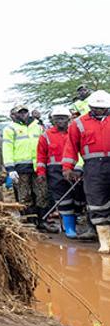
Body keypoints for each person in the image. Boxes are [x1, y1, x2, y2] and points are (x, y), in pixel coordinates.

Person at [64, 90, 110, 253]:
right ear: (90, 106)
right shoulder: (79, 123)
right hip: (93, 167)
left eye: (102, 108)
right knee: (97, 201)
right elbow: (71, 146)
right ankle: (105, 242)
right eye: (96, 108)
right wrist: (68, 167)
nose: (99, 110)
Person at [39, 107, 86, 239]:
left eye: (63, 118)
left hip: (74, 169)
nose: (60, 121)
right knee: (63, 199)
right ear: (52, 120)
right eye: (57, 118)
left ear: (69, 119)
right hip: (54, 171)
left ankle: (78, 221)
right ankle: (69, 227)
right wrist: (41, 172)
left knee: (79, 196)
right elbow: (41, 156)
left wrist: (78, 168)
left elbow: (82, 151)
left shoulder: (75, 132)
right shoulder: (46, 135)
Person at [3, 105, 49, 230]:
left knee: (42, 193)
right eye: (20, 113)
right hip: (20, 168)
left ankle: (42, 221)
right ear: (15, 115)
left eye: (25, 112)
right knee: (25, 196)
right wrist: (10, 168)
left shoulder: (38, 127)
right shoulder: (10, 128)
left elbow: (44, 146)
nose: (23, 114)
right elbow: (7, 149)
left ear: (28, 113)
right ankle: (30, 221)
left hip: (38, 166)